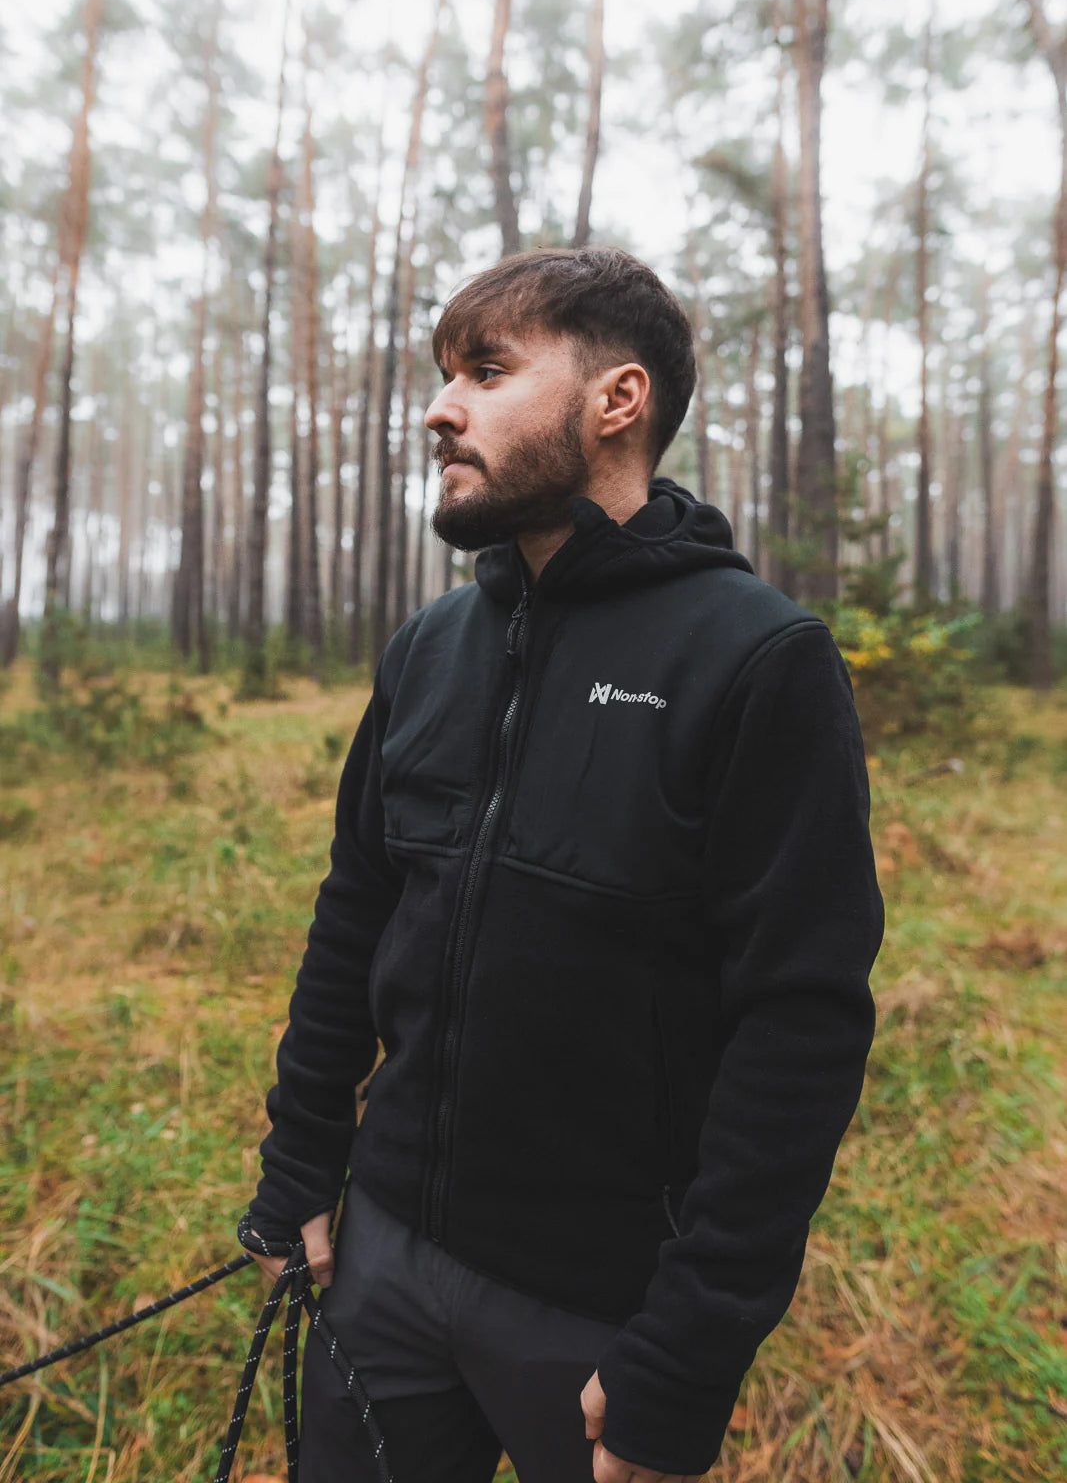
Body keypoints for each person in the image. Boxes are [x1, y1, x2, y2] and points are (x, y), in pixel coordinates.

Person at [241, 246, 885, 1483]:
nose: (441, 407)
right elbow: (352, 918)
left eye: (485, 370)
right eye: (444, 375)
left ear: (617, 400)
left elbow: (798, 1027)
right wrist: (298, 1168)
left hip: (600, 1315)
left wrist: (683, 1357)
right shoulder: (428, 648)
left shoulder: (756, 659)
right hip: (381, 1265)